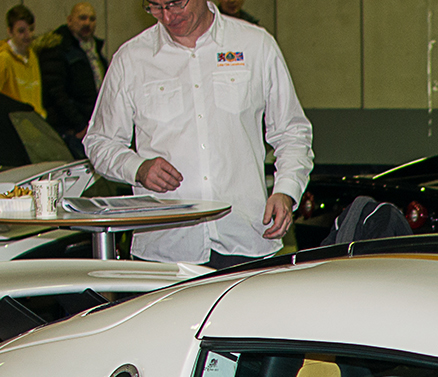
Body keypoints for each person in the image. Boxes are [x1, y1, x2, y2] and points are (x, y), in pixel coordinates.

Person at [84, 0, 312, 266]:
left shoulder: (256, 45)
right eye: (155, 7)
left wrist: (286, 190)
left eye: (175, 3)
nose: (167, 16)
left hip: (246, 238)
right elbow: (99, 142)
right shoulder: (131, 58)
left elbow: (292, 132)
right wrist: (138, 168)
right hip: (164, 248)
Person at [37, 3, 107, 156]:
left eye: (92, 19)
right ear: (69, 20)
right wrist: (79, 125)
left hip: (92, 126)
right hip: (70, 130)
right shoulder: (57, 48)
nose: (87, 23)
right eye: (82, 18)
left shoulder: (94, 51)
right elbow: (56, 92)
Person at [0, 5, 43, 115]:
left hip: (32, 120)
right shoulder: (3, 59)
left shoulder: (32, 57)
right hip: (13, 121)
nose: (28, 35)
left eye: (31, 29)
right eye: (21, 31)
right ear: (10, 31)